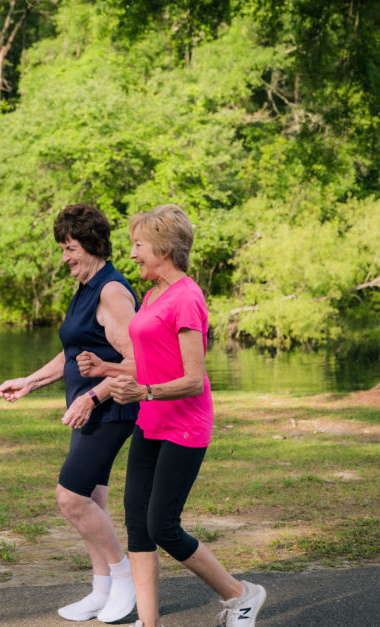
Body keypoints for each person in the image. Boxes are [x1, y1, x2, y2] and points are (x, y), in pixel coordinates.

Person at [79, 204, 267, 627]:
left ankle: (240, 595)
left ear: (164, 248)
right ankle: (149, 624)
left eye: (139, 244)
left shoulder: (186, 297)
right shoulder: (152, 295)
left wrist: (143, 391)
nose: (132, 253)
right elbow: (151, 364)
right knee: (139, 529)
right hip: (152, 422)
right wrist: (107, 370)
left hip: (185, 427)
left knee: (163, 526)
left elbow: (194, 379)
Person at [0, 204, 140, 623]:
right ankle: (102, 590)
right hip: (89, 412)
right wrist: (30, 382)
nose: (65, 258)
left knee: (71, 497)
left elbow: (137, 360)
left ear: (93, 244)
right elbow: (73, 353)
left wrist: (91, 398)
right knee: (92, 499)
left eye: (70, 248)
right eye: (63, 248)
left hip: (111, 411)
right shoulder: (86, 286)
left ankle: (124, 578)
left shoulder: (112, 291)